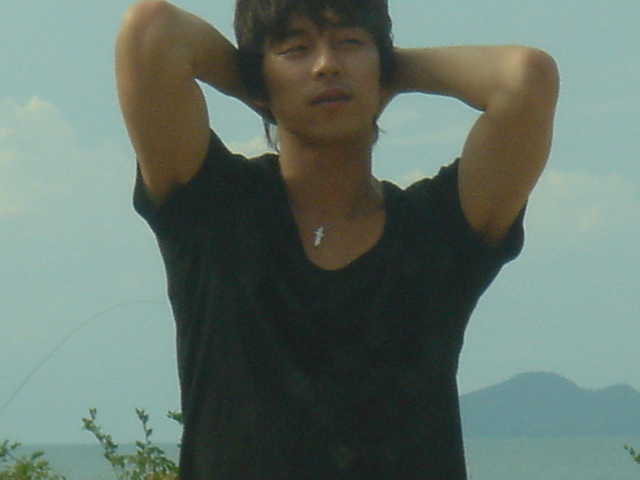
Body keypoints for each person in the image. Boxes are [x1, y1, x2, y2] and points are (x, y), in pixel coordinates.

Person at [116, 0, 559, 478]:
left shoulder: (437, 232)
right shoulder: (215, 212)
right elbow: (152, 30)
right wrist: (261, 85)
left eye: (349, 43)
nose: (327, 65)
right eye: (296, 49)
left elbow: (526, 79)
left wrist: (388, 73)